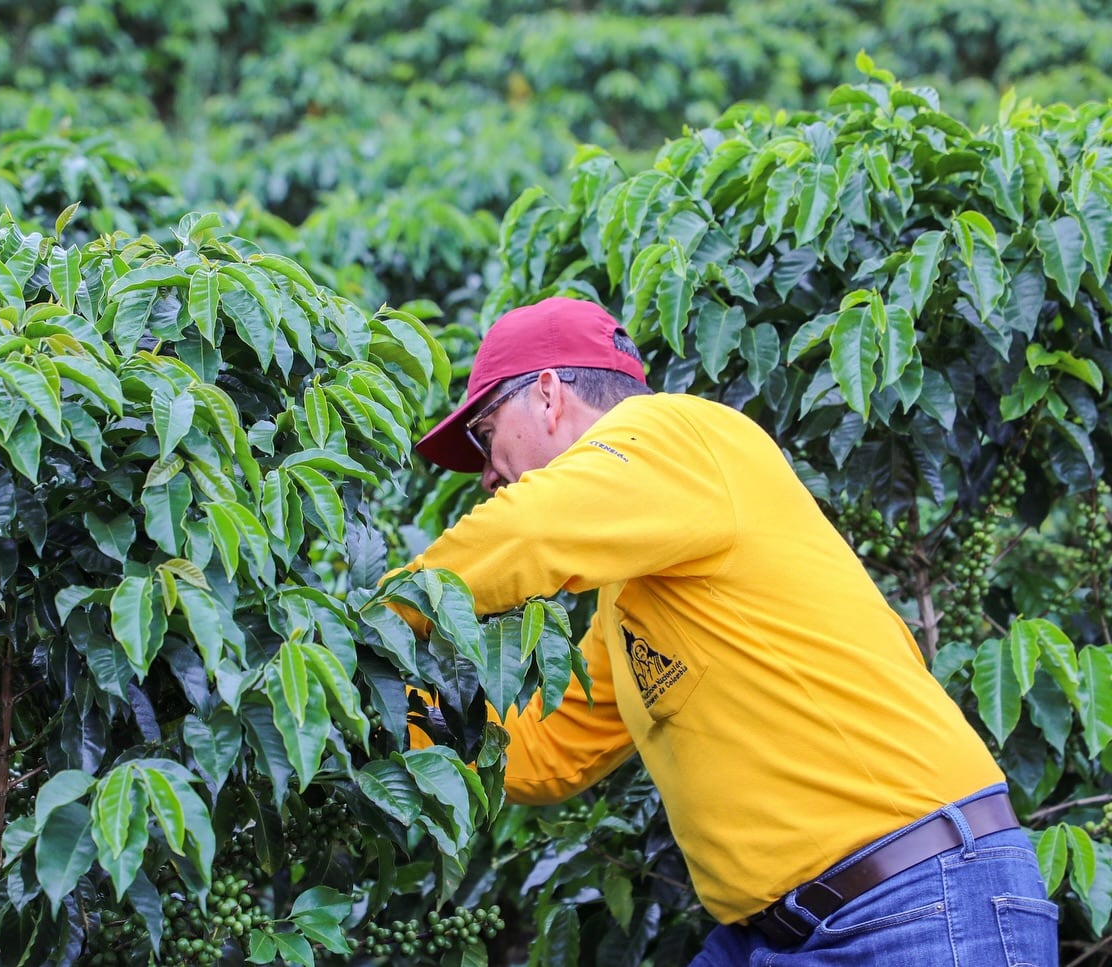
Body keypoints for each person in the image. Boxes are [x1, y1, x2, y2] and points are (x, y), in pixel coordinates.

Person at [397, 297, 1058, 965]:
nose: (485, 474)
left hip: (919, 900)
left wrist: (374, 624)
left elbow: (527, 531)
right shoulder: (634, 595)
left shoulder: (677, 432)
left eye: (484, 433)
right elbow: (546, 750)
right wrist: (387, 707)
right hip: (785, 930)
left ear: (547, 395)